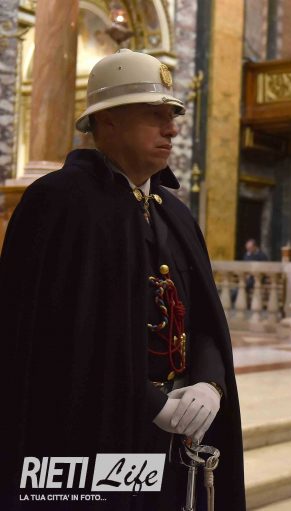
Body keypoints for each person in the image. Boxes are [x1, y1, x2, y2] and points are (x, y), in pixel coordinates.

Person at [0, 49, 246, 509]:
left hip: (178, 440)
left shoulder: (175, 214)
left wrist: (210, 384)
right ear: (108, 121)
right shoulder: (56, 205)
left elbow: (205, 321)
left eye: (172, 116)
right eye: (155, 115)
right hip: (93, 436)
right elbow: (48, 344)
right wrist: (152, 404)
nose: (172, 129)